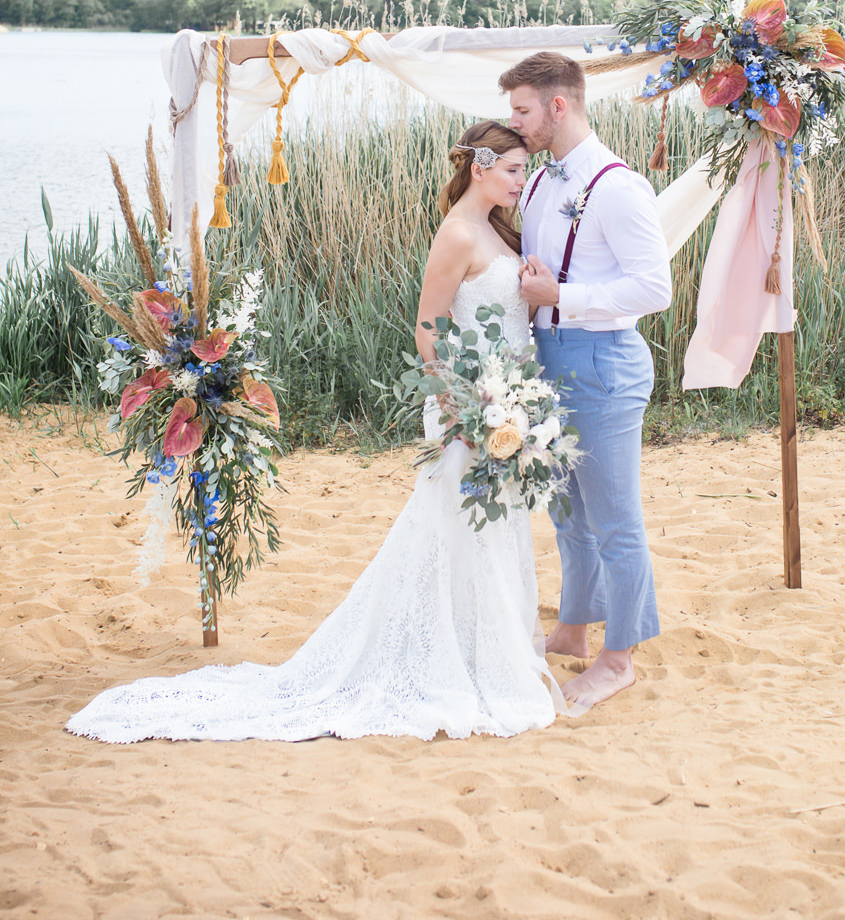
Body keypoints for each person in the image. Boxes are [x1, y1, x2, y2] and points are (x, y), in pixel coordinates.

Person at [66, 121, 563, 744]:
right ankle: (458, 658)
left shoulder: (494, 228)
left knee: (487, 529)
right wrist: (461, 403)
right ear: (482, 167)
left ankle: (488, 649)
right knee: (458, 526)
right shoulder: (458, 232)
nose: (523, 181)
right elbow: (428, 326)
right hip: (468, 406)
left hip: (502, 403)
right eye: (515, 170)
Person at [500, 51, 671, 710]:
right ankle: (573, 627)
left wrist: (563, 295)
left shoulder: (618, 186)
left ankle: (620, 656)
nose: (514, 124)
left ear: (558, 106)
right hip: (548, 355)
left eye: (522, 110)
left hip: (603, 362)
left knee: (615, 520)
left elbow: (653, 288)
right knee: (567, 510)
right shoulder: (542, 181)